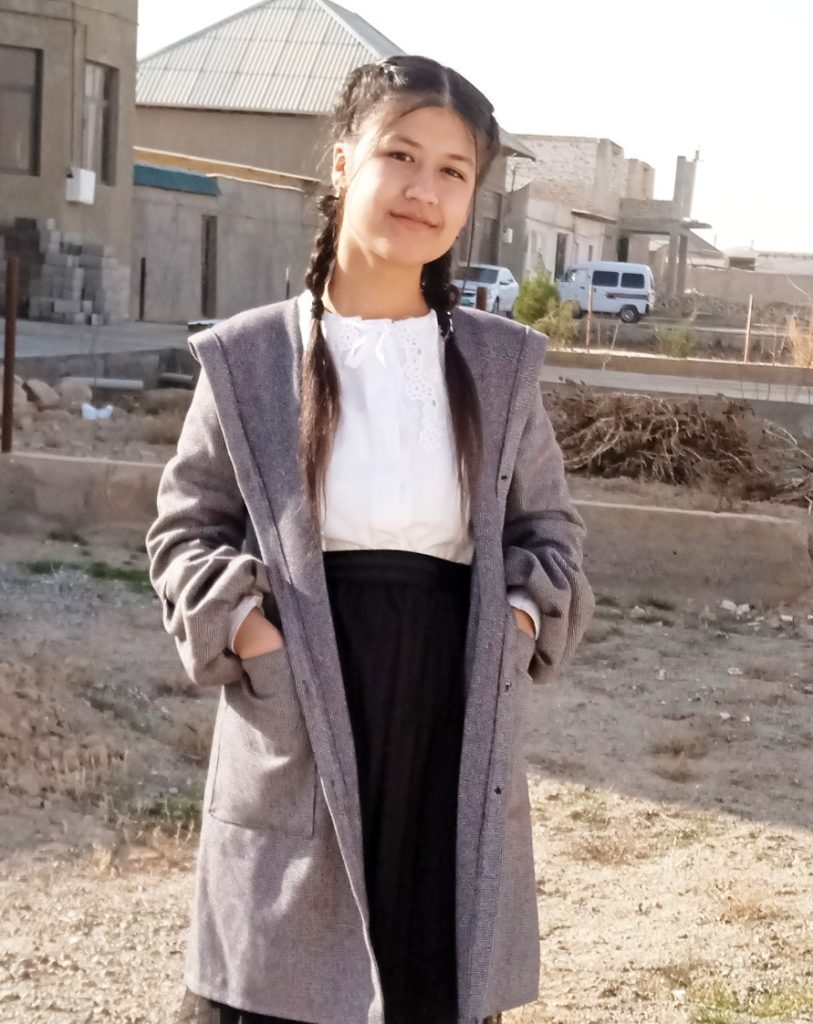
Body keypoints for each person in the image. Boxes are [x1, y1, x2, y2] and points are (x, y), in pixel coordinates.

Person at [146, 54, 594, 1024]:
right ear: (345, 162)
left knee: (432, 967)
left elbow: (549, 531)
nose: (423, 190)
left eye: (453, 171)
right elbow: (187, 528)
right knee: (279, 980)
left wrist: (517, 619)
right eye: (401, 154)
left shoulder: (501, 365)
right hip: (303, 687)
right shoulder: (250, 357)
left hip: (451, 702)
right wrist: (254, 638)